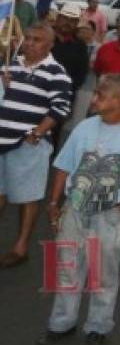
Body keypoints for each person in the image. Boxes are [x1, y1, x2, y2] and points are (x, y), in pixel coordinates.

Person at [36, 74, 120, 345]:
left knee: (103, 274)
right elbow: (63, 165)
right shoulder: (85, 127)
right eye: (96, 93)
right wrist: (53, 203)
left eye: (100, 94)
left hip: (109, 213)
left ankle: (98, 326)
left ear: (119, 100)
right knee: (67, 268)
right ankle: (62, 323)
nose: (93, 99)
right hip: (75, 207)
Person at [0, 22, 72, 268]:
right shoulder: (10, 65)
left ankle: (21, 248)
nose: (30, 43)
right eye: (28, 38)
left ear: (50, 45)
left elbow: (61, 108)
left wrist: (38, 132)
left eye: (37, 40)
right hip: (1, 140)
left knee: (28, 197)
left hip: (27, 144)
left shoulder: (56, 72)